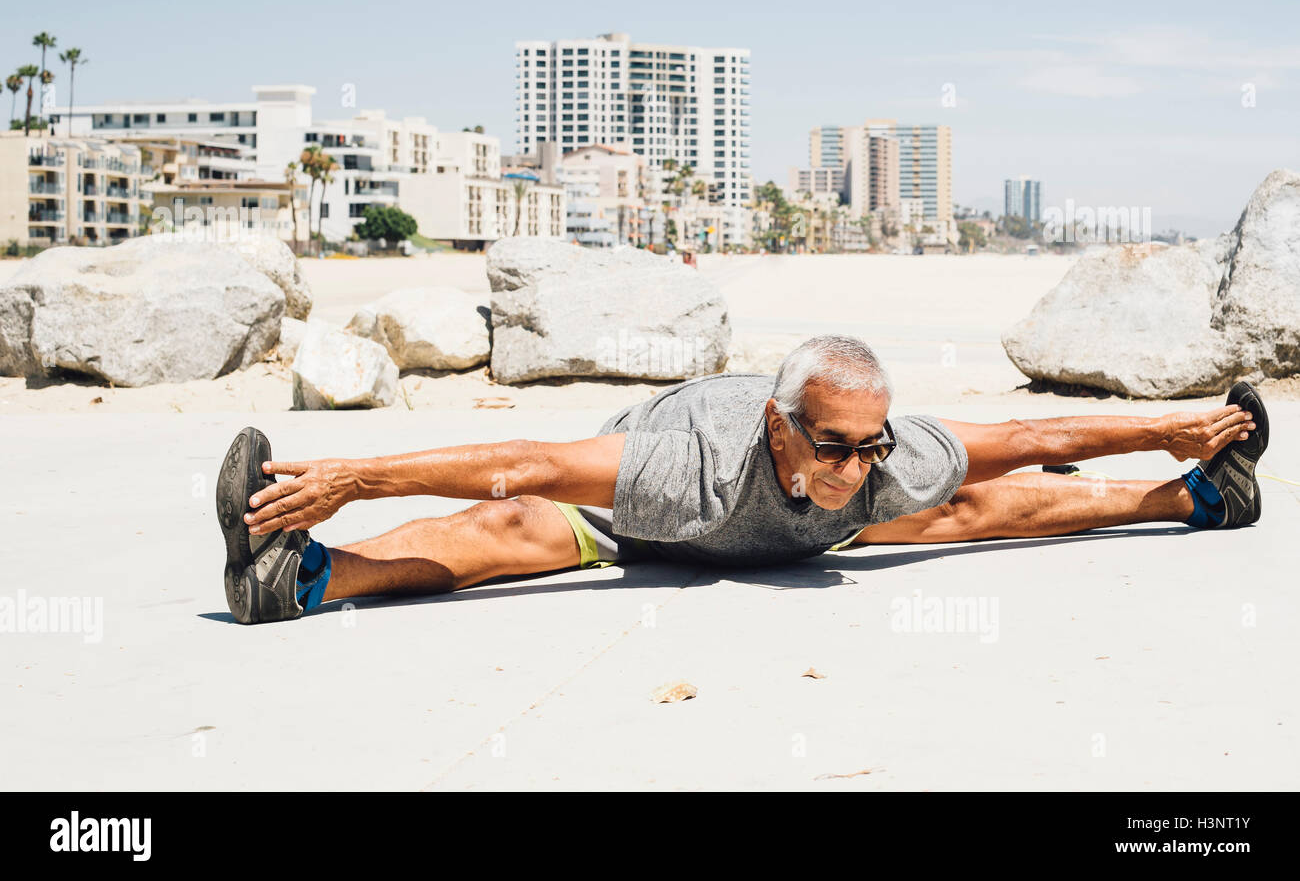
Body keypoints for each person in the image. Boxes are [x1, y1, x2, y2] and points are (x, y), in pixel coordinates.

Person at [216, 335, 1268, 625]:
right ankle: (301, 577)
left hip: (798, 543)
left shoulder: (883, 461)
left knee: (980, 504)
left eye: (867, 445)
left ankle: (1200, 500)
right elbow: (522, 459)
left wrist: (1177, 433)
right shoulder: (694, 465)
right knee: (515, 526)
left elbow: (1030, 432)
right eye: (828, 445)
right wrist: (349, 473)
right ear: (778, 426)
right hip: (648, 527)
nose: (850, 465)